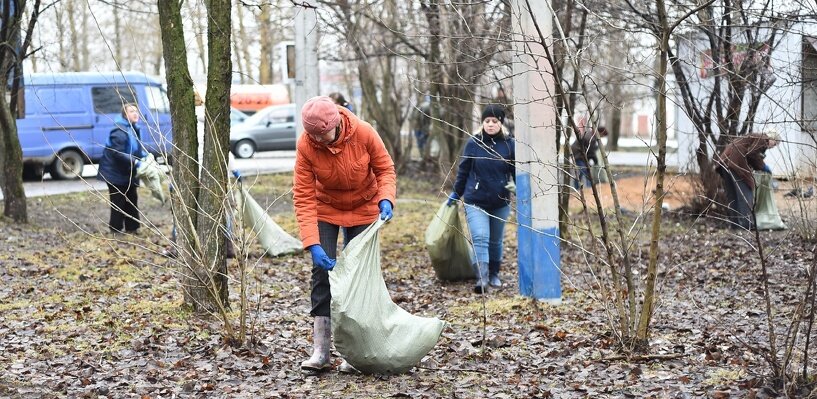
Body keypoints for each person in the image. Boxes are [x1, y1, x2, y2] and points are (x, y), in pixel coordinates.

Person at [293, 95, 396, 373]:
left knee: (357, 275)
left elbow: (385, 169)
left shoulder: (363, 132)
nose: (320, 141)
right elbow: (303, 195)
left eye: (323, 134)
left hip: (364, 207)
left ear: (336, 123)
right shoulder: (307, 144)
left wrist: (386, 198)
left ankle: (356, 350)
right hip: (326, 209)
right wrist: (312, 243)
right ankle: (321, 350)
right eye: (314, 136)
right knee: (321, 272)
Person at [447, 104, 515, 293]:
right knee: (479, 237)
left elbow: (516, 171)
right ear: (482, 123)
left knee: (496, 241)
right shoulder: (474, 143)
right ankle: (482, 278)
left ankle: (494, 274)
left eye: (494, 121)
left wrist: (519, 188)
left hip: (500, 201)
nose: (490, 124)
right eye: (487, 121)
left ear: (501, 123)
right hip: (475, 200)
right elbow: (463, 171)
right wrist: (455, 194)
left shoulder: (510, 144)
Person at [97, 103, 146, 234]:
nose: (135, 114)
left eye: (136, 111)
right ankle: (115, 230)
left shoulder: (133, 129)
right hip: (114, 173)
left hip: (127, 171)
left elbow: (136, 149)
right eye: (131, 111)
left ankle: (132, 228)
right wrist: (135, 162)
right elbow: (116, 153)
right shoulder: (119, 131)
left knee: (132, 198)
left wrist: (145, 158)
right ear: (125, 115)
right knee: (118, 201)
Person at [716, 132, 780, 230]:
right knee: (746, 193)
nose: (773, 147)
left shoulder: (754, 137)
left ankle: (735, 225)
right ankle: (747, 224)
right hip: (735, 163)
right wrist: (763, 167)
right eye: (775, 143)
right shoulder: (763, 139)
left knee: (733, 195)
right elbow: (752, 154)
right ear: (771, 138)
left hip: (725, 162)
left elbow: (748, 152)